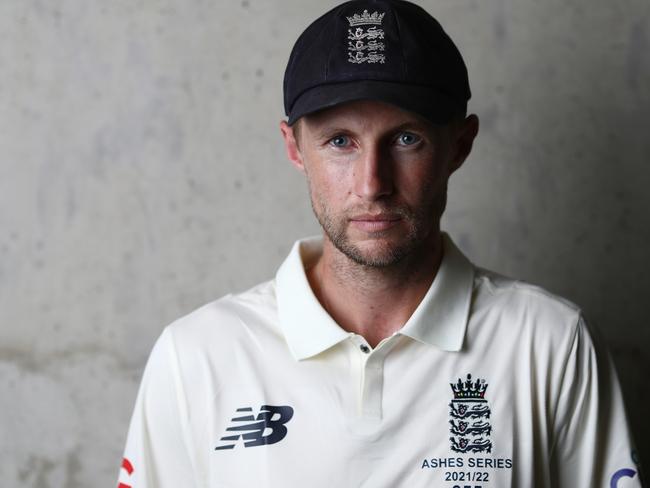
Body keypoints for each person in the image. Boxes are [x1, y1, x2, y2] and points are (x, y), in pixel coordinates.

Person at [117, 1, 644, 487]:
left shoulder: (549, 344)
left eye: (406, 139)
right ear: (294, 147)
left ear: (458, 146)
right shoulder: (198, 356)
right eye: (340, 141)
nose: (372, 184)